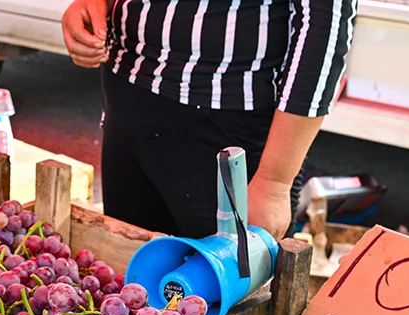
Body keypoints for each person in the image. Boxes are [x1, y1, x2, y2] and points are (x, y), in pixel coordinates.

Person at [62, 0, 357, 240]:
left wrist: (274, 182)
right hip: (126, 100)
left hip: (225, 131)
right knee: (128, 278)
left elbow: (325, 27)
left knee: (219, 292)